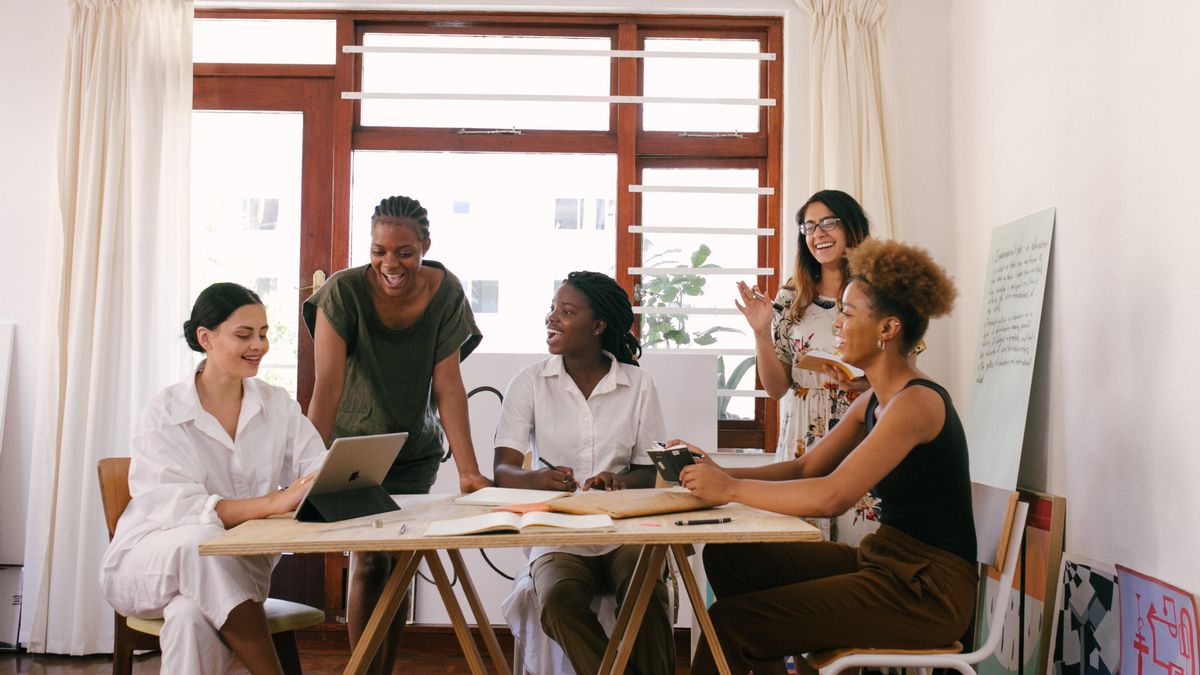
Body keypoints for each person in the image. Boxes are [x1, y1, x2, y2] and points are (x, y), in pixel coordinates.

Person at [678, 239, 976, 675]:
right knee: (730, 559)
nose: (836, 323)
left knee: (730, 624)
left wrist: (732, 489)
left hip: (925, 592)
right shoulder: (875, 398)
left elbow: (831, 495)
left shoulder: (917, 403)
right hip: (886, 562)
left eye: (848, 313)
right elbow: (806, 467)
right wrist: (717, 471)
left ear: (888, 329)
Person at [303, 195, 491, 674]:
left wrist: (469, 473)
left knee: (399, 564)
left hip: (413, 451)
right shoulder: (343, 293)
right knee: (369, 561)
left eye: (404, 252)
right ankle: (364, 670)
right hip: (353, 448)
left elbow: (449, 386)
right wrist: (304, 467)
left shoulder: (446, 293)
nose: (391, 263)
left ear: (426, 245)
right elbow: (327, 385)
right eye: (379, 251)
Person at [100, 282, 327, 675]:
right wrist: (273, 502)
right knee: (200, 541)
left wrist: (323, 482)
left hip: (237, 572)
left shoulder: (277, 406)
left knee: (189, 618)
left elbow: (317, 468)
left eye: (263, 333)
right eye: (244, 335)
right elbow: (181, 511)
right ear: (205, 338)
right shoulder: (164, 413)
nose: (258, 345)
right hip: (147, 565)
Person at [493, 271, 675, 675]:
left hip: (623, 532)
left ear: (597, 326)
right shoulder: (530, 383)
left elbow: (652, 472)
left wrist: (620, 481)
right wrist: (536, 479)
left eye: (567, 311)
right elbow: (503, 470)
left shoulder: (637, 384)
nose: (551, 318)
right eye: (553, 308)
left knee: (647, 595)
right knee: (558, 603)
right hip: (559, 536)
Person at [736, 189, 871, 465]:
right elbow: (776, 390)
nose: (817, 233)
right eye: (809, 227)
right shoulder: (791, 296)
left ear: (852, 226)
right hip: (802, 434)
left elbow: (904, 376)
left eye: (829, 223)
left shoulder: (880, 291)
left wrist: (859, 384)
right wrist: (761, 332)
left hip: (862, 426)